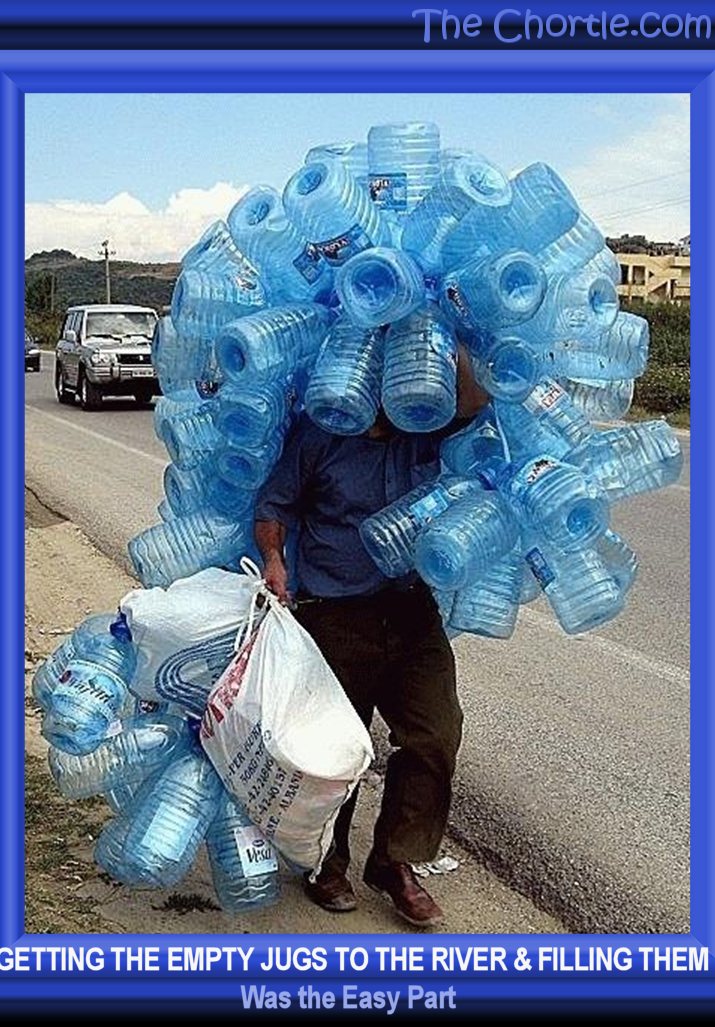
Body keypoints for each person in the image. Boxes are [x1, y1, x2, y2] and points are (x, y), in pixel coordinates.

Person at [254, 346, 489, 928]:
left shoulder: (427, 427)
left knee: (435, 736)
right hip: (335, 612)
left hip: (410, 607)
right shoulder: (323, 432)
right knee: (336, 748)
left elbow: (478, 398)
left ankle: (396, 862)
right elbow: (273, 506)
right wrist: (274, 562)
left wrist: (443, 314)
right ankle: (326, 861)